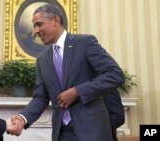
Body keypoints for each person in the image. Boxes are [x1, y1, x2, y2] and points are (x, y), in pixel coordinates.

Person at [10, 4, 125, 141]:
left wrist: (77, 91)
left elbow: (115, 75)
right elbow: (40, 98)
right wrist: (23, 118)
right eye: (34, 26)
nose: (36, 30)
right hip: (62, 133)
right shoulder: (43, 60)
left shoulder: (85, 43)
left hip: (92, 132)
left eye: (39, 24)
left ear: (56, 20)